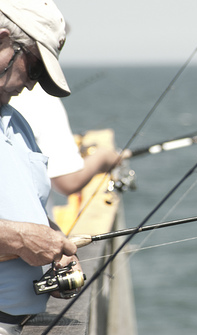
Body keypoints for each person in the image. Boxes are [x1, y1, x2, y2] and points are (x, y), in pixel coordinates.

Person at [0, 1, 78, 334]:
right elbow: (18, 235)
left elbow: (26, 206)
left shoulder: (18, 123)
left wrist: (54, 245)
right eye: (34, 68)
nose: (34, 84)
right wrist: (19, 240)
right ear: (3, 42)